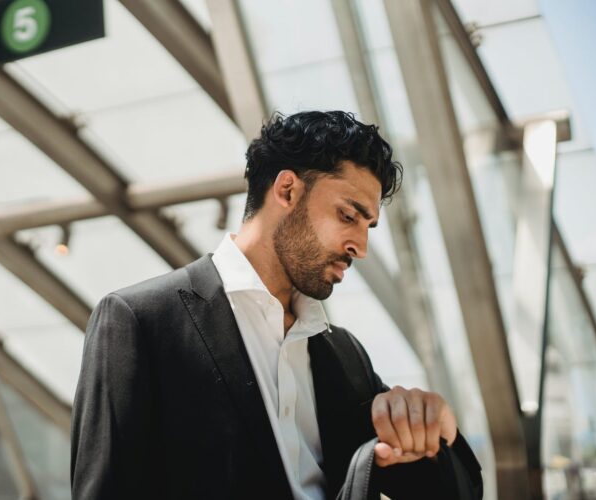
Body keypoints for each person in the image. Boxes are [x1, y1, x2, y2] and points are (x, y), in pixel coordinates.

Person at [71, 111, 483, 499]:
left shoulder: (343, 354)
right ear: (287, 190)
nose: (360, 247)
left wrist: (437, 431)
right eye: (347, 216)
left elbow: (455, 491)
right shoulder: (143, 321)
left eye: (367, 225)